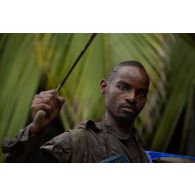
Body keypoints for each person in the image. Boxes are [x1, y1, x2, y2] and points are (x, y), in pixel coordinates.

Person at [2, 60, 150, 163]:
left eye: (141, 93)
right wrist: (36, 129)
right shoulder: (77, 141)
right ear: (104, 87)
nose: (132, 97)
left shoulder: (143, 155)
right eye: (124, 87)